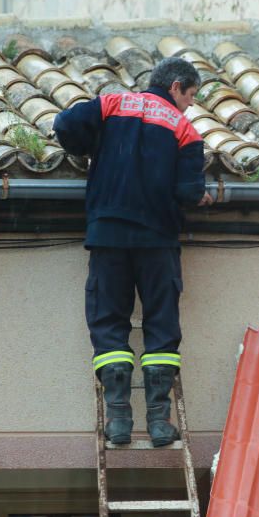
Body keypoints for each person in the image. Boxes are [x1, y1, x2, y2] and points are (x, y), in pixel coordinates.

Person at [53, 57, 213, 447]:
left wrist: (91, 149)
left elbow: (64, 126)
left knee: (108, 322)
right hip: (157, 241)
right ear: (175, 86)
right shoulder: (184, 129)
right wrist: (204, 196)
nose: (189, 105)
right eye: (190, 96)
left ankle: (119, 421)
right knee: (161, 326)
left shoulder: (111, 104)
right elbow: (188, 192)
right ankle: (159, 422)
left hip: (107, 236)